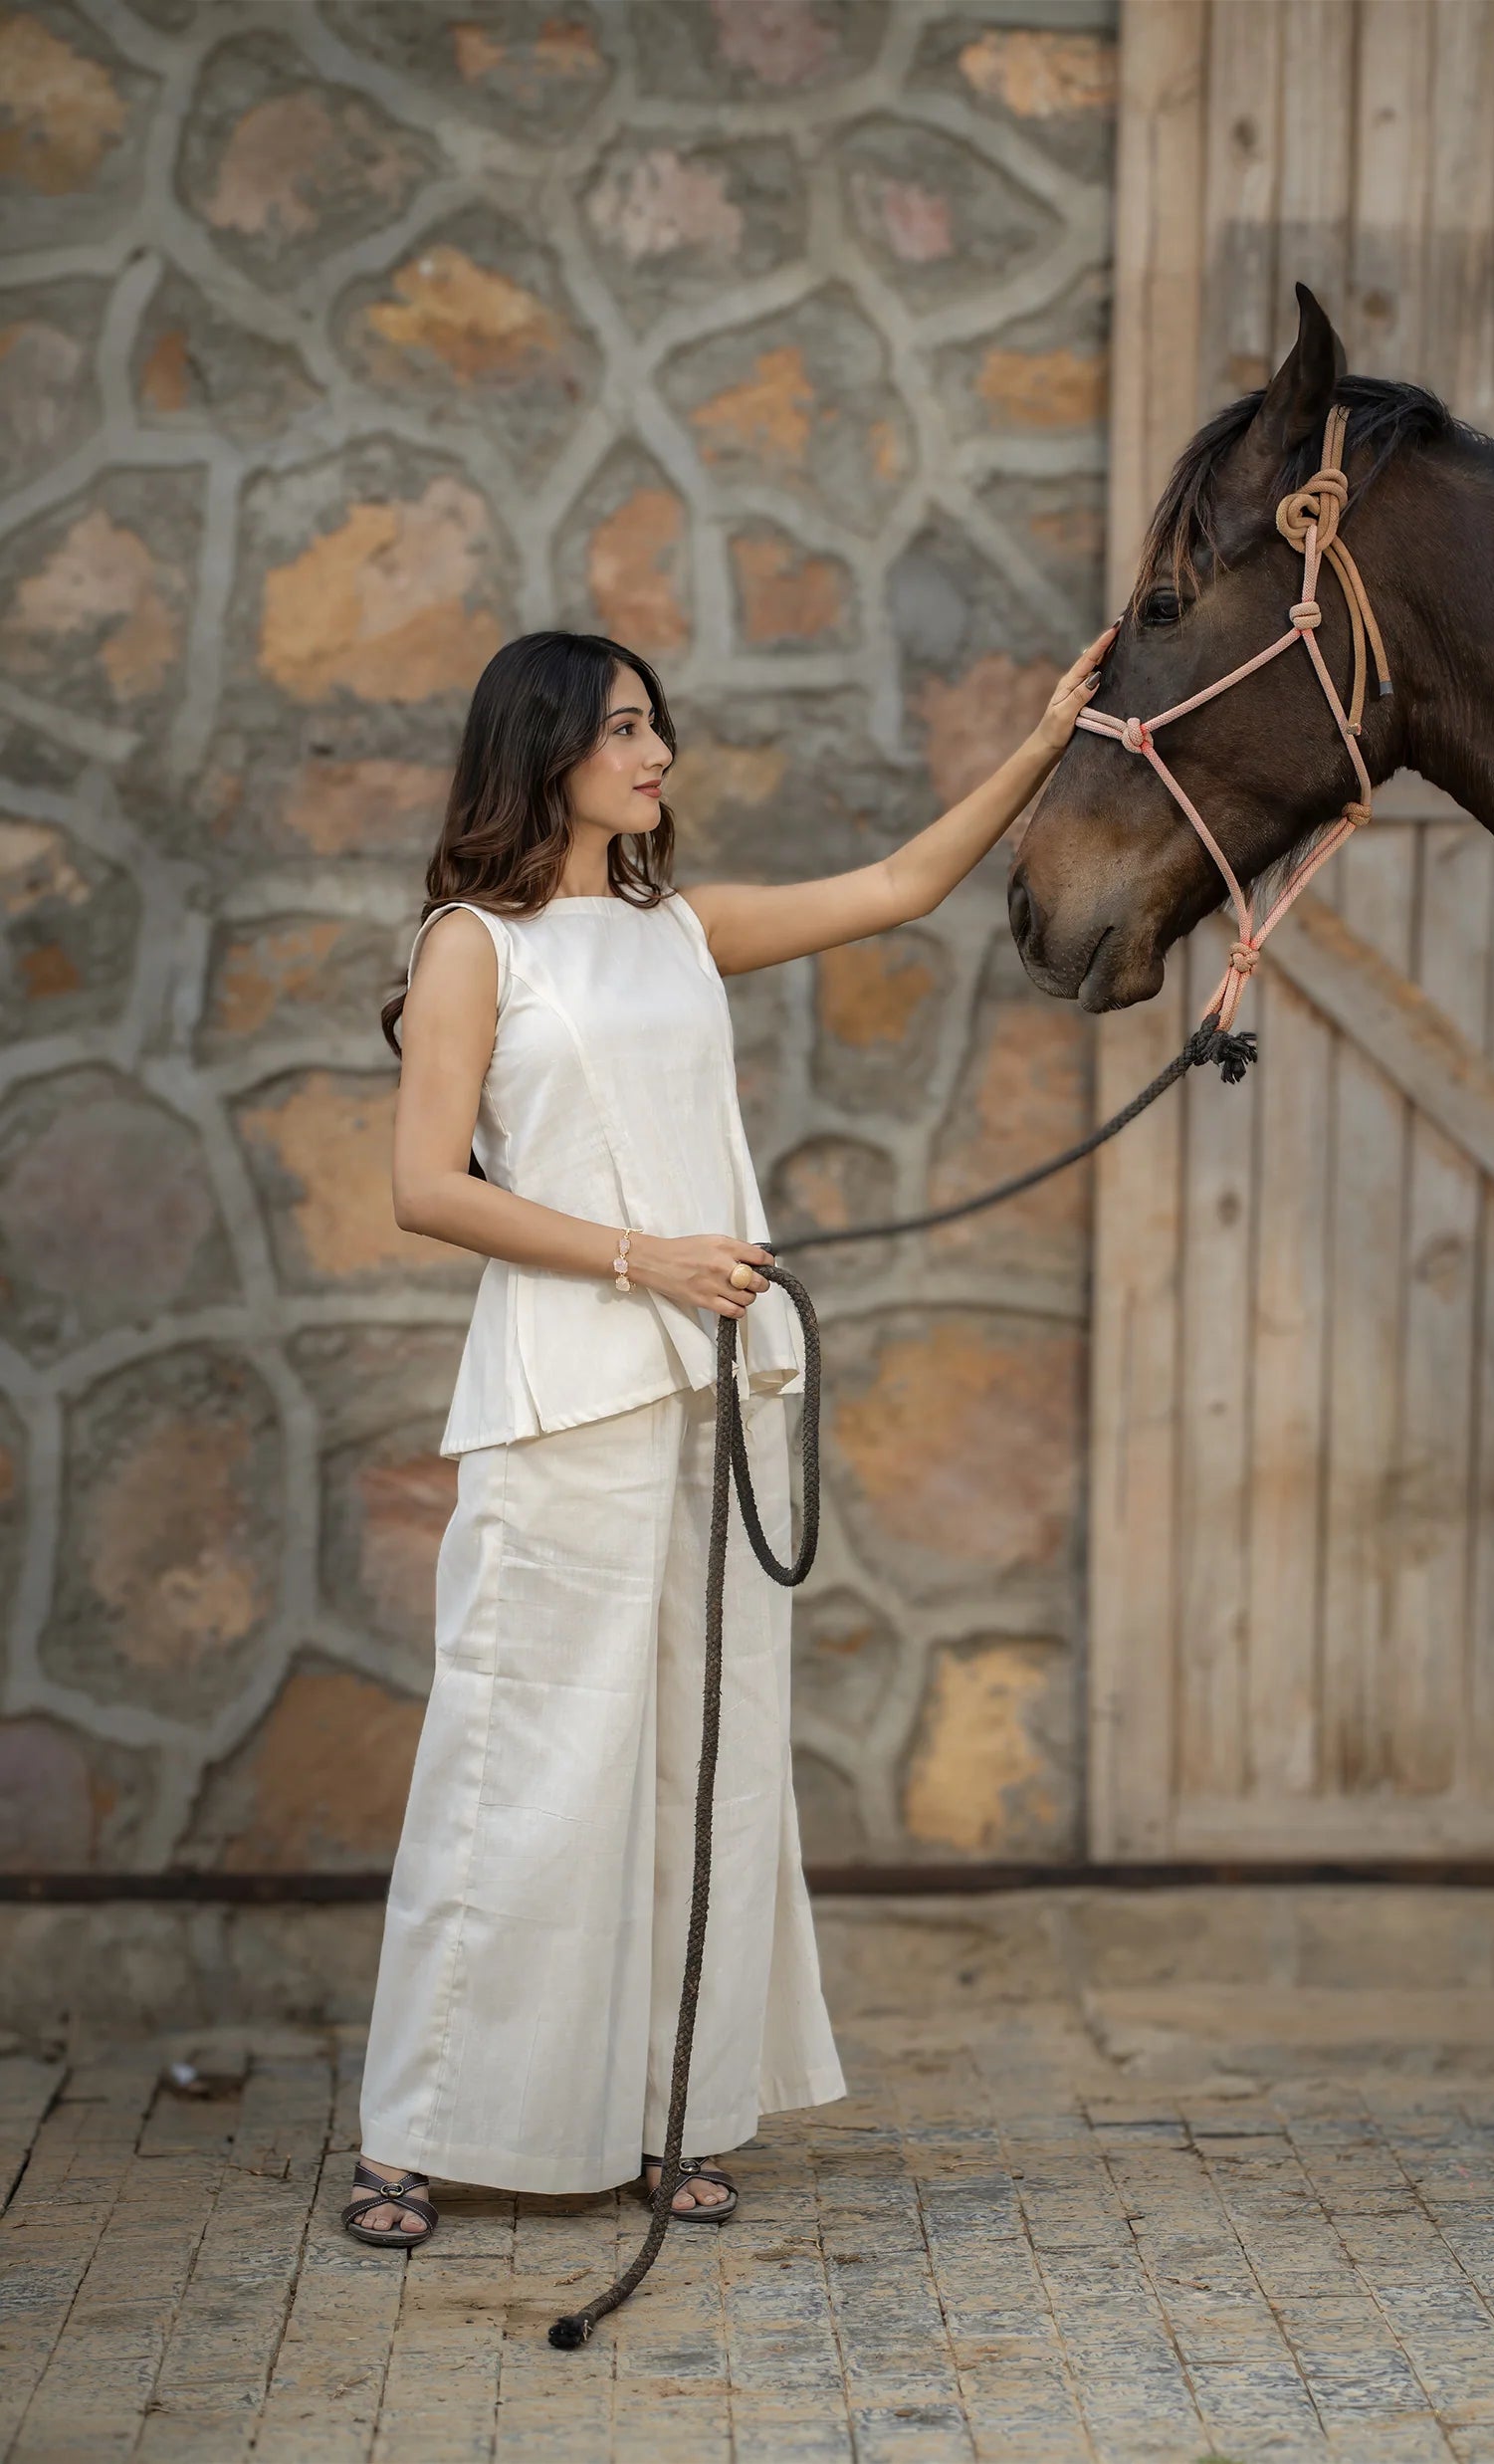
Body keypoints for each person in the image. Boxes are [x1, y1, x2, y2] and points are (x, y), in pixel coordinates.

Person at [344, 623, 1111, 2246]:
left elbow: (902, 884)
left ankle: (670, 2112)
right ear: (543, 747)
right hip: (570, 1391)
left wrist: (1049, 737)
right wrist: (649, 1257)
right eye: (623, 728)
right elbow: (427, 1189)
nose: (656, 753)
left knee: (706, 1761)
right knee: (524, 1762)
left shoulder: (677, 929)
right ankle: (417, 2132)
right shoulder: (475, 946)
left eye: (657, 727)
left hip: (720, 1387)